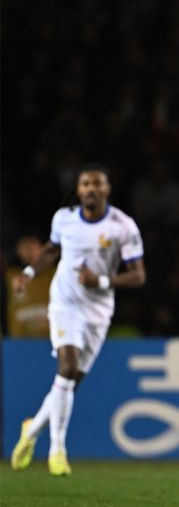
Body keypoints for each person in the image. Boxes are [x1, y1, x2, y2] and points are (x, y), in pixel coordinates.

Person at [10, 164, 146, 475]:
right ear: (79, 189)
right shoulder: (64, 219)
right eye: (86, 185)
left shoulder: (122, 226)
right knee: (67, 368)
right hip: (65, 302)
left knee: (70, 383)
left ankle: (31, 431)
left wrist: (99, 281)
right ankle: (58, 450)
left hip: (98, 309)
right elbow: (50, 249)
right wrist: (29, 274)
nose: (91, 190)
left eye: (97, 185)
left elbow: (138, 275)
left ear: (107, 190)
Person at [6, 235, 53, 337]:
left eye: (32, 246)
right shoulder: (11, 276)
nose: (29, 252)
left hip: (54, 339)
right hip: (20, 343)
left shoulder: (56, 274)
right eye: (25, 247)